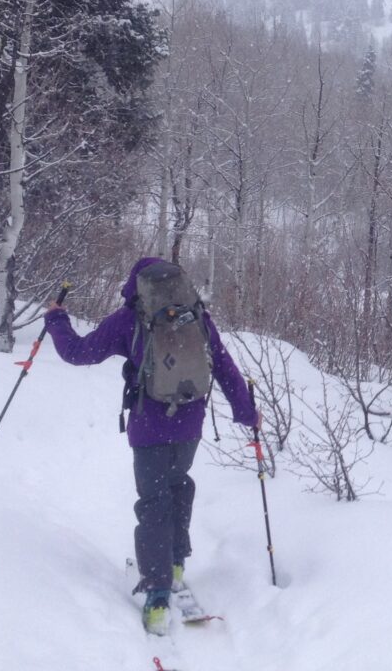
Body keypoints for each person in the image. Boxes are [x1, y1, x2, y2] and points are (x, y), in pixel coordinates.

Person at [43, 256, 258, 634]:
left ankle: (158, 595)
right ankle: (175, 563)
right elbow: (224, 367)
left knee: (153, 501)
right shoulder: (198, 317)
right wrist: (247, 413)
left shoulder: (130, 319)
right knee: (178, 484)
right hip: (190, 425)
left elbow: (78, 353)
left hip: (149, 427)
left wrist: (57, 319)